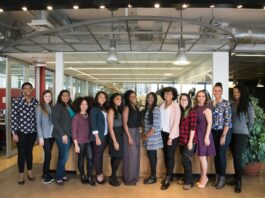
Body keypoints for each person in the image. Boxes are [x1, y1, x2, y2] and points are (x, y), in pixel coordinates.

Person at [11, 82, 38, 185]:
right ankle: (21, 174)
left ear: (31, 90)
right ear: (22, 90)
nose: (27, 90)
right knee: (21, 153)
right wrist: (14, 133)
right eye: (25, 88)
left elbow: (37, 118)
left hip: (32, 132)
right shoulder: (17, 101)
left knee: (29, 152)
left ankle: (30, 172)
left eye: (29, 88)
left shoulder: (35, 102)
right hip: (21, 132)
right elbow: (13, 118)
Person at [229, 85, 254, 193]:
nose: (235, 94)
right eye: (234, 92)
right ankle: (235, 178)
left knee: (237, 158)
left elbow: (251, 121)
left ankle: (239, 182)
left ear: (242, 93)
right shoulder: (232, 104)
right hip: (232, 133)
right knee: (235, 157)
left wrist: (246, 130)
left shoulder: (247, 104)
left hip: (241, 134)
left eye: (238, 92)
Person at [208, 82, 232, 189]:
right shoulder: (210, 103)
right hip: (213, 132)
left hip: (224, 132)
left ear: (222, 92)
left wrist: (223, 135)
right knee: (216, 155)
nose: (217, 92)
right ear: (213, 91)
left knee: (222, 155)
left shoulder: (226, 103)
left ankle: (222, 178)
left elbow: (228, 120)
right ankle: (217, 176)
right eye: (215, 90)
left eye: (219, 90)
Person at [159, 87, 181, 190]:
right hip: (163, 133)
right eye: (166, 94)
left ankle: (168, 178)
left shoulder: (176, 106)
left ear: (173, 95)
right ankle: (170, 175)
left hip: (172, 135)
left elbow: (176, 122)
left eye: (170, 94)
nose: (167, 95)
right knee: (166, 155)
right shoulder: (162, 106)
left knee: (170, 156)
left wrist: (171, 137)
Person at [51, 90, 75, 185]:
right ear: (60, 97)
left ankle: (62, 173)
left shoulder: (69, 106)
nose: (66, 97)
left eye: (67, 95)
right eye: (64, 95)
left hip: (70, 134)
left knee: (63, 156)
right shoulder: (58, 106)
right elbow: (54, 121)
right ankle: (58, 176)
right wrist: (63, 135)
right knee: (64, 156)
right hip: (62, 135)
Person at [194, 90, 215, 188]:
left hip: (204, 135)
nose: (201, 98)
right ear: (196, 97)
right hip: (198, 134)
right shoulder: (196, 108)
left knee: (203, 157)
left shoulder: (207, 109)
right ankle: (203, 177)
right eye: (199, 96)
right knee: (201, 158)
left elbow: (210, 123)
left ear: (206, 98)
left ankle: (204, 178)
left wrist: (206, 137)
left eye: (203, 96)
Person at [72, 97, 95, 186]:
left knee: (90, 158)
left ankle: (89, 177)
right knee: (81, 159)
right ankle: (82, 175)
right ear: (79, 105)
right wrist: (76, 145)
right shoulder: (76, 117)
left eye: (86, 104)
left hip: (88, 141)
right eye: (82, 104)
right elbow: (73, 132)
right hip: (80, 142)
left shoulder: (89, 115)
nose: (84, 106)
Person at [142, 92, 163, 184]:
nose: (150, 99)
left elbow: (155, 126)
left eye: (152, 97)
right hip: (149, 137)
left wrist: (146, 135)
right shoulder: (148, 108)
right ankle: (153, 176)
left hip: (152, 137)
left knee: (152, 157)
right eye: (148, 97)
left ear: (155, 99)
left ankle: (153, 177)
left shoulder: (156, 109)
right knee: (151, 156)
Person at [178, 93, 197, 190]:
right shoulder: (182, 111)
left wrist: (190, 142)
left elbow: (193, 128)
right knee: (185, 161)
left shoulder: (191, 111)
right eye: (181, 99)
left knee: (185, 160)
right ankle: (187, 177)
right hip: (182, 140)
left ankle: (189, 182)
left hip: (190, 141)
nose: (183, 101)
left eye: (185, 99)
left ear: (189, 101)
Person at [122, 90, 141, 186]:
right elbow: (124, 124)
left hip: (136, 132)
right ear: (127, 98)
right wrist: (129, 137)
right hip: (129, 132)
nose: (133, 98)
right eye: (131, 96)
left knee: (136, 156)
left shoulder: (136, 107)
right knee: (131, 157)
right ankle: (129, 179)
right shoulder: (126, 107)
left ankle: (134, 178)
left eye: (134, 96)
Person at [35, 90, 54, 184]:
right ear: (43, 97)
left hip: (52, 135)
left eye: (49, 96)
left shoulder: (51, 106)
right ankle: (45, 175)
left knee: (49, 155)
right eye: (46, 96)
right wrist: (40, 137)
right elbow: (38, 123)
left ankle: (46, 173)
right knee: (48, 155)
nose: (48, 98)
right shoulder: (39, 107)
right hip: (44, 136)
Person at [90, 91, 108, 184]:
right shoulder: (94, 109)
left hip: (105, 135)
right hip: (98, 137)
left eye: (104, 97)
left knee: (100, 155)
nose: (102, 99)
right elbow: (93, 124)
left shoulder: (104, 108)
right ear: (97, 98)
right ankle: (98, 174)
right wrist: (97, 137)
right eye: (100, 97)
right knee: (97, 155)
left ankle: (100, 172)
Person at [107, 93, 123, 187]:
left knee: (115, 156)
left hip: (119, 134)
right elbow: (110, 127)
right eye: (117, 99)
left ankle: (113, 177)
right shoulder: (111, 110)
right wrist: (115, 141)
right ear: (113, 100)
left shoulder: (118, 109)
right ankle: (113, 177)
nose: (119, 100)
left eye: (120, 99)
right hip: (114, 135)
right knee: (118, 156)